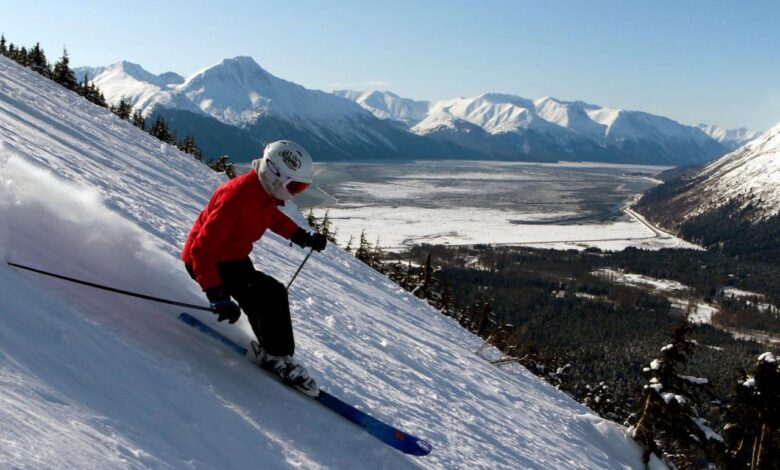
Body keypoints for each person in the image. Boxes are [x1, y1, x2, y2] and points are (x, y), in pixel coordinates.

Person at [182, 140, 326, 395]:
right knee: (270, 294)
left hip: (233, 258)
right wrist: (216, 294)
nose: (294, 193)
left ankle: (272, 351)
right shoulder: (235, 197)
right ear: (275, 176)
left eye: (300, 188)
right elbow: (201, 250)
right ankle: (276, 356)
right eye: (294, 186)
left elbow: (270, 216)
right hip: (209, 263)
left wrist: (301, 237)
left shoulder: (262, 194)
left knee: (266, 295)